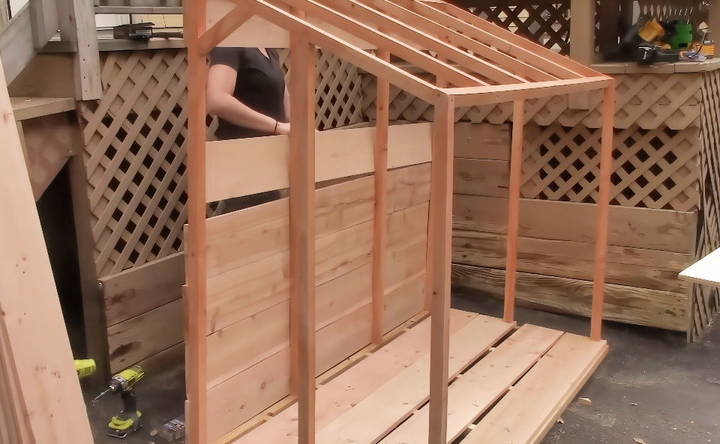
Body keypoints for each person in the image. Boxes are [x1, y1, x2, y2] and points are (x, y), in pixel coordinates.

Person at [205, 46, 290, 211]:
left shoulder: (269, 50)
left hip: (270, 159)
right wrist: (277, 127)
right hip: (243, 159)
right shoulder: (231, 45)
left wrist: (303, 128)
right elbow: (216, 99)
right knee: (247, 224)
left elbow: (284, 101)